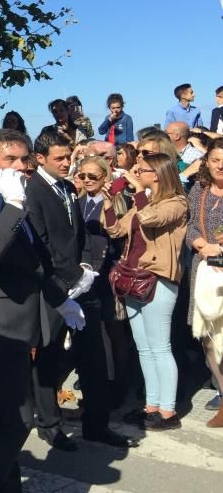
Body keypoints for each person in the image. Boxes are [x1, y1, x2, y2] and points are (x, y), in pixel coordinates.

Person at [0, 130, 81, 492]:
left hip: (16, 327)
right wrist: (12, 204)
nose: (21, 167)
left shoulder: (15, 203)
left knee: (1, 420)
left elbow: (36, 263)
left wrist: (61, 299)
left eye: (25, 159)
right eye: (10, 159)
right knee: (15, 420)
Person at [25, 131, 130, 449]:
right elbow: (41, 245)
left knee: (94, 355)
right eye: (59, 158)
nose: (66, 163)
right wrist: (71, 276)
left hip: (83, 284)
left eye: (68, 156)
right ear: (40, 159)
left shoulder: (68, 188)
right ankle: (49, 424)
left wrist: (85, 268)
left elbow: (80, 235)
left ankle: (96, 423)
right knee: (49, 357)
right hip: (54, 289)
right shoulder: (33, 192)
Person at [103, 152, 188, 431]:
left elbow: (152, 220)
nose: (136, 173)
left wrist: (138, 192)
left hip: (158, 278)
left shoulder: (176, 203)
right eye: (136, 170)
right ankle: (151, 406)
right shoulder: (145, 200)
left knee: (161, 347)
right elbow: (116, 230)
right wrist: (108, 203)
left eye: (142, 170)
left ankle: (168, 412)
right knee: (144, 347)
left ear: (159, 174)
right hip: (133, 277)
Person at [75, 156, 135, 408]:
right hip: (84, 274)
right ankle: (98, 380)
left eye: (93, 176)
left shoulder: (119, 203)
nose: (87, 180)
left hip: (109, 272)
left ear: (105, 178)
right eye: (82, 175)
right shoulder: (77, 202)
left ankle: (121, 383)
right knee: (92, 331)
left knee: (115, 331)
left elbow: (121, 236)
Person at [184, 138, 223, 427]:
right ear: (206, 162)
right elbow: (190, 225)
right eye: (215, 159)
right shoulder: (199, 189)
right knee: (208, 339)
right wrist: (199, 243)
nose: (221, 165)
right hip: (203, 269)